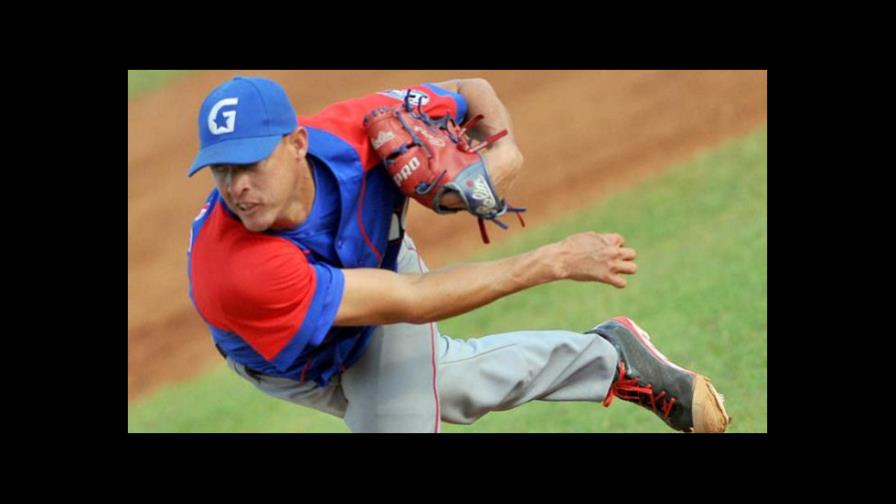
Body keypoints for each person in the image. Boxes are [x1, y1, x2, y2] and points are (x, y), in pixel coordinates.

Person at [185, 75, 730, 433]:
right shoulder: (234, 269)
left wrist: (504, 150)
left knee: (402, 419)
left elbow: (475, 87)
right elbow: (412, 301)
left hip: (382, 273)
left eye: (251, 163)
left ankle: (610, 359)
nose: (237, 186)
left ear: (297, 144)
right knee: (448, 387)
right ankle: (612, 358)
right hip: (297, 360)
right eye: (222, 169)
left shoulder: (357, 129)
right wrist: (555, 260)